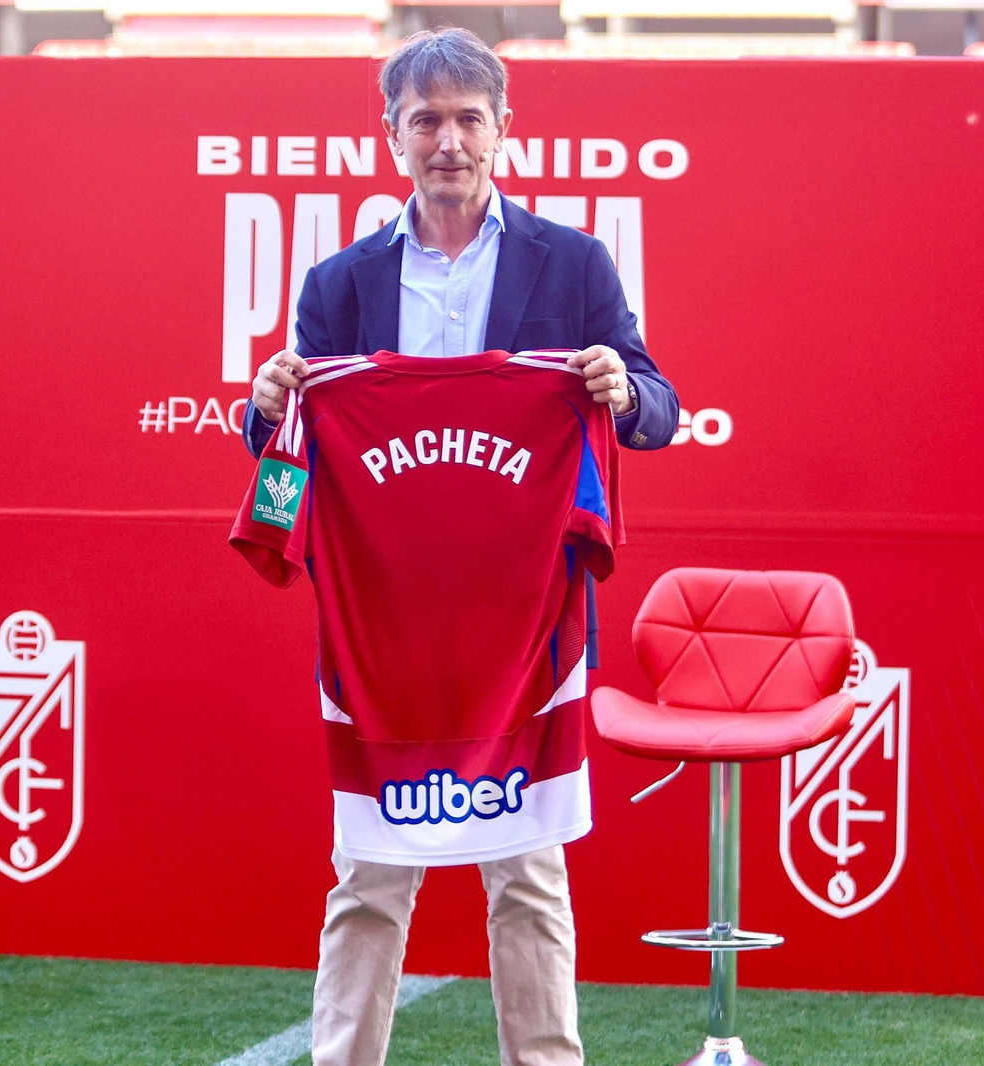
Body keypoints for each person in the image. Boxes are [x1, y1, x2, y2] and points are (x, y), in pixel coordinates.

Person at [240, 26, 679, 1066]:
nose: (448, 141)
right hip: (383, 625)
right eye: (424, 120)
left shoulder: (570, 262)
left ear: (504, 133)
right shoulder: (338, 283)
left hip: (526, 623)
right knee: (368, 868)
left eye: (467, 119)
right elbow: (297, 444)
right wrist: (260, 419)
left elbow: (660, 402)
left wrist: (623, 395)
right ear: (391, 136)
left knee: (526, 869)